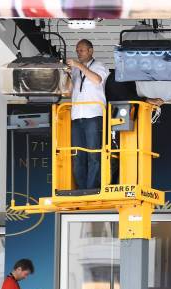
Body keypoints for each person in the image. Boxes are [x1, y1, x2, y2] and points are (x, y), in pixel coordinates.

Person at [67, 39, 109, 190]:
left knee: (93, 155)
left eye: (82, 50)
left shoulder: (100, 66)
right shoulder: (75, 70)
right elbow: (68, 91)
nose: (79, 53)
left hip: (94, 115)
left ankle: (92, 188)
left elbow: (97, 80)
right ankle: (81, 188)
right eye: (77, 50)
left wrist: (78, 66)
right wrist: (67, 74)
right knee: (78, 156)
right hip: (77, 116)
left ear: (91, 51)